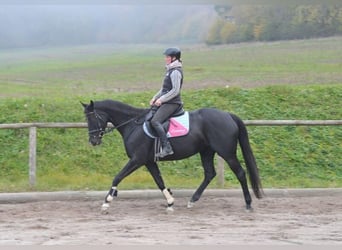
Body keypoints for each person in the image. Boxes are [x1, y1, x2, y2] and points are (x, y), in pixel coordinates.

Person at [149, 47, 184, 158]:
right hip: (167, 101)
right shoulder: (170, 70)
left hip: (173, 103)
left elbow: (175, 90)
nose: (166, 59)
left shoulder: (175, 72)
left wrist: (161, 99)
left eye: (167, 57)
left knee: (155, 121)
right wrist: (155, 97)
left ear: (174, 58)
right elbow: (164, 89)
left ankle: (167, 148)